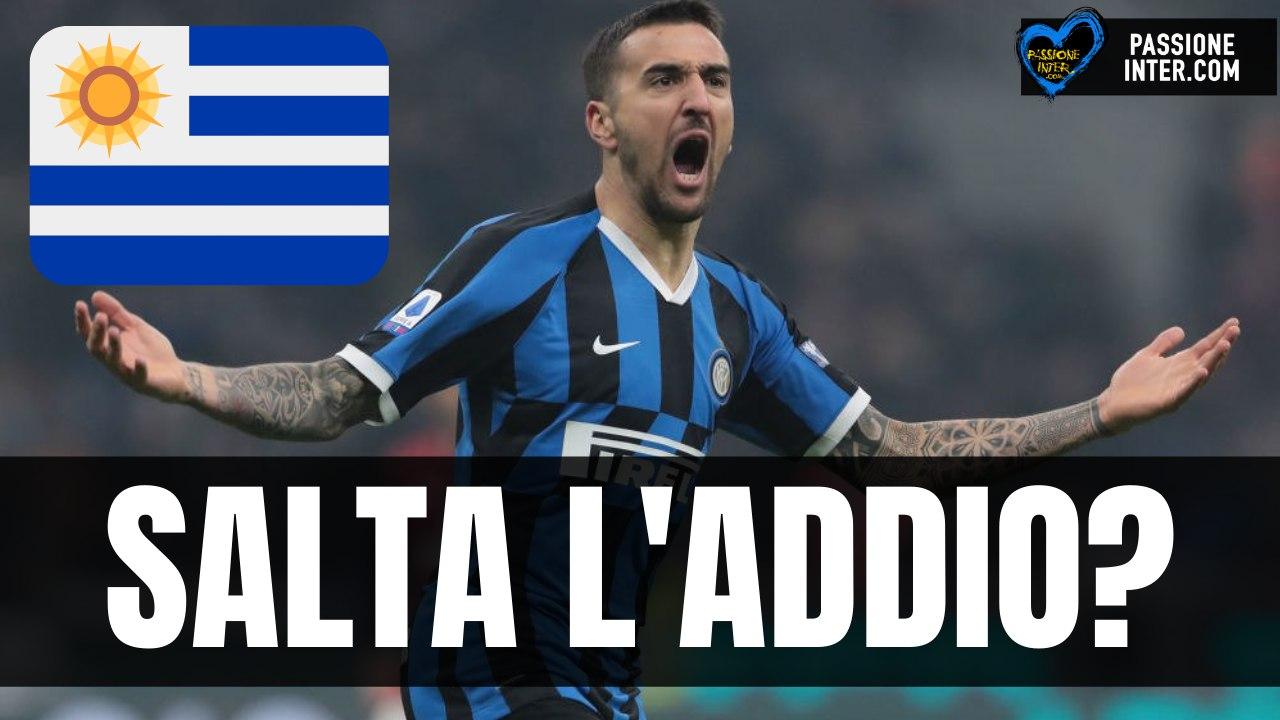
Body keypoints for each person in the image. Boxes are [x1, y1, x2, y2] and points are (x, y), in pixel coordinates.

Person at [72, 2, 1239, 718]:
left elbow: (885, 455)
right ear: (601, 121)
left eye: (715, 81)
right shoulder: (523, 261)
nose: (697, 98)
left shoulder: (739, 317)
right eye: (663, 78)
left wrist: (1096, 414)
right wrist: (188, 380)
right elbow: (342, 391)